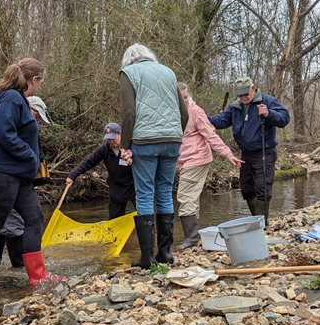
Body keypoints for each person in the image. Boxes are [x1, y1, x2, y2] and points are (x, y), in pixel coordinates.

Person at [0, 58, 65, 285]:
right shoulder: (11, 97)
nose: (40, 87)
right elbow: (3, 133)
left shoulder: (18, 100)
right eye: (40, 83)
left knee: (34, 217)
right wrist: (30, 156)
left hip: (17, 175)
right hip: (0, 173)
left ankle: (38, 277)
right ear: (33, 80)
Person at [118, 43, 188, 269]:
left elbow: (129, 113)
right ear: (150, 57)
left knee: (145, 194)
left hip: (145, 142)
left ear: (129, 61)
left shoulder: (128, 73)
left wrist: (125, 145)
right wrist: (176, 135)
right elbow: (183, 113)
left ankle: (147, 257)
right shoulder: (168, 72)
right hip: (173, 140)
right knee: (165, 192)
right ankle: (165, 253)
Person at [208, 76, 290, 225]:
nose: (243, 97)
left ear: (253, 88)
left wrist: (269, 114)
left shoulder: (267, 101)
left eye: (245, 94)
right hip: (246, 153)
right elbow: (220, 122)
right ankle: (257, 220)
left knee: (262, 187)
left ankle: (262, 225)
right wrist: (201, 117)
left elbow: (284, 119)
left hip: (264, 151)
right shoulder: (235, 107)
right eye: (239, 95)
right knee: (246, 188)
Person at [0, 96, 51, 268]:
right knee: (16, 221)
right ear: (30, 110)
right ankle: (20, 267)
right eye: (37, 116)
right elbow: (11, 149)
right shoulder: (13, 123)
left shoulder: (13, 122)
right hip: (3, 176)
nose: (37, 122)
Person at [175, 82, 243, 249]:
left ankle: (190, 238)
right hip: (182, 160)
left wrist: (228, 154)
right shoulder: (172, 111)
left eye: (186, 97)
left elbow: (211, 135)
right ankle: (194, 237)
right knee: (191, 198)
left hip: (197, 158)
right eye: (180, 97)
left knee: (184, 196)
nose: (184, 100)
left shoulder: (196, 112)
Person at [66, 122, 135, 220]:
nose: (111, 141)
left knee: (143, 216)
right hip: (116, 188)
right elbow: (89, 162)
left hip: (134, 186)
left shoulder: (132, 146)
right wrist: (72, 175)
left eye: (113, 138)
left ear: (120, 134)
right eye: (108, 139)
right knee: (114, 221)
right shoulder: (105, 149)